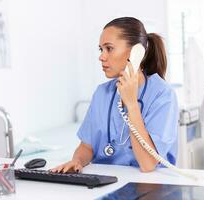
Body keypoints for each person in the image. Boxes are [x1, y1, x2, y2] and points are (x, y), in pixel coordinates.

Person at [51, 17, 178, 173]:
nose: (101, 57)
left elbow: (147, 164)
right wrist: (77, 161)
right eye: (100, 49)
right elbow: (86, 147)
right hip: (106, 182)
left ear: (136, 52)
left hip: (150, 185)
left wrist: (131, 104)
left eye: (109, 48)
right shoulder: (102, 93)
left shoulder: (163, 95)